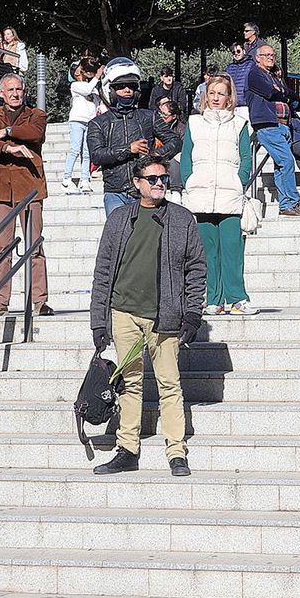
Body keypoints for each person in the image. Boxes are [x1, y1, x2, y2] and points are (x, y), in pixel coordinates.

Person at [89, 157, 205, 478]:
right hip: (123, 312)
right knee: (130, 385)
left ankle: (176, 451)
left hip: (164, 316)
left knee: (170, 384)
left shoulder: (182, 219)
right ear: (137, 182)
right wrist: (99, 321)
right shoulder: (118, 219)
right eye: (151, 178)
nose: (158, 183)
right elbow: (103, 272)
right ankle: (127, 450)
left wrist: (193, 313)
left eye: (163, 178)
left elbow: (196, 268)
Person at [0, 73, 51, 316]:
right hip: (1, 187)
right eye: (10, 90)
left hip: (30, 186)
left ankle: (39, 300)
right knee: (2, 246)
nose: (16, 93)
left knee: (34, 245)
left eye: (19, 89)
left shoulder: (36, 115)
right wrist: (7, 146)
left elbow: (35, 134)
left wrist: (7, 130)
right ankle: (0, 301)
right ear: (1, 93)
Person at [180, 74, 255, 316]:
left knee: (232, 249)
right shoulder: (194, 123)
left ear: (229, 97)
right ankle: (214, 299)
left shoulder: (239, 123)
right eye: (212, 92)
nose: (215, 98)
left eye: (221, 93)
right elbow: (187, 156)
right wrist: (189, 181)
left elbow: (246, 158)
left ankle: (237, 298)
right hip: (201, 194)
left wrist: (239, 181)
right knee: (208, 251)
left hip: (229, 194)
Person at [88, 58, 183, 218]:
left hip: (145, 189)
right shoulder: (98, 123)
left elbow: (175, 141)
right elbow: (96, 155)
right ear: (109, 89)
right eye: (120, 87)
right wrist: (128, 149)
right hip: (115, 192)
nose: (127, 90)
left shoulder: (149, 116)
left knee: (148, 238)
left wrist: (155, 156)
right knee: (120, 238)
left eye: (131, 86)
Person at [248, 42, 300, 219]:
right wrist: (281, 92)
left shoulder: (273, 75)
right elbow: (270, 92)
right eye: (266, 55)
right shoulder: (255, 74)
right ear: (257, 58)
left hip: (283, 124)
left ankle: (289, 203)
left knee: (281, 164)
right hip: (268, 124)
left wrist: (282, 91)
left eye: (272, 55)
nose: (271, 58)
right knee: (286, 161)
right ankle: (289, 203)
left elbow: (290, 94)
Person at [63, 58, 102, 193]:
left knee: (86, 152)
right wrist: (97, 76)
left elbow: (97, 100)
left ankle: (85, 179)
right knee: (75, 149)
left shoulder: (92, 86)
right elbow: (87, 90)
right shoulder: (75, 86)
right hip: (77, 120)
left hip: (90, 121)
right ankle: (66, 178)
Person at [225, 42, 256, 113]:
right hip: (232, 105)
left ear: (244, 51)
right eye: (233, 52)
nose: (236, 53)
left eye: (238, 51)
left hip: (246, 105)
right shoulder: (229, 68)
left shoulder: (251, 65)